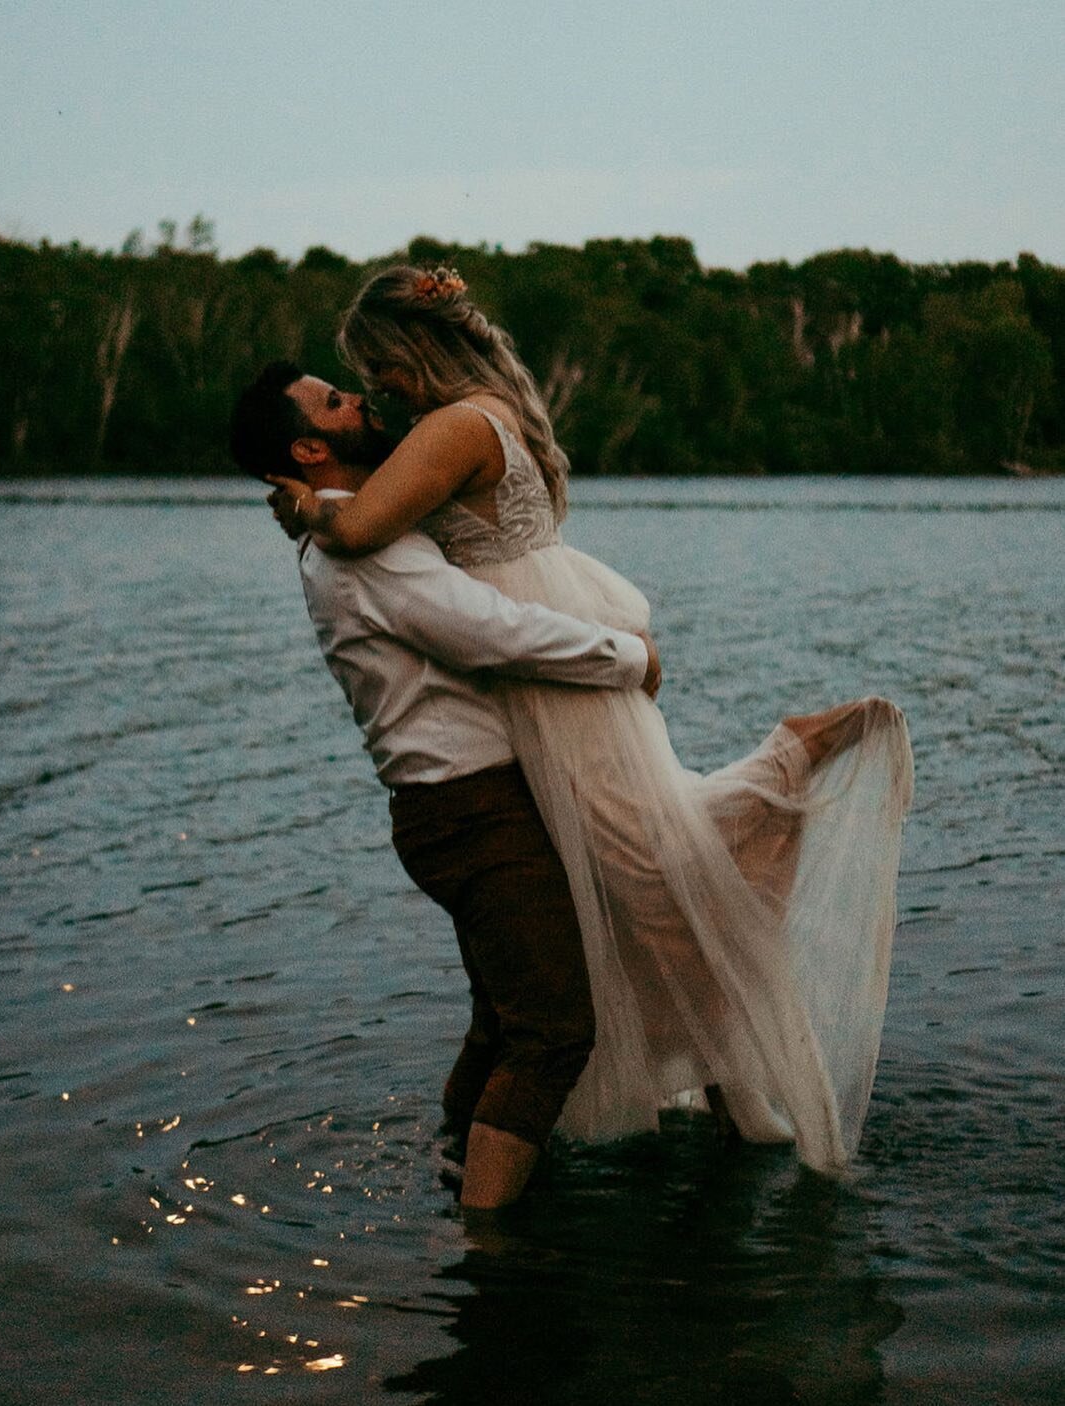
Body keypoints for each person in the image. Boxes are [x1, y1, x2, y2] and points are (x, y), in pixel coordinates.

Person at [265, 267, 915, 1175]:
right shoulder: (479, 410)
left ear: (411, 352)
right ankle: (725, 1084)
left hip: (545, 667)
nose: (376, 392)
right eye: (352, 388)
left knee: (643, 868)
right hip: (543, 653)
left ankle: (785, 763)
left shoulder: (451, 428)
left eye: (375, 371)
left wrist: (308, 509)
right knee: (630, 880)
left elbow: (364, 525)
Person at [230, 361, 661, 1209]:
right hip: (472, 815)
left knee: (503, 1022)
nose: (358, 398)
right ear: (312, 444)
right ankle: (485, 1242)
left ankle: (456, 1180)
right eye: (334, 400)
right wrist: (629, 658)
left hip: (457, 809)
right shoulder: (367, 549)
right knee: (552, 1033)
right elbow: (485, 633)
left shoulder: (358, 527)